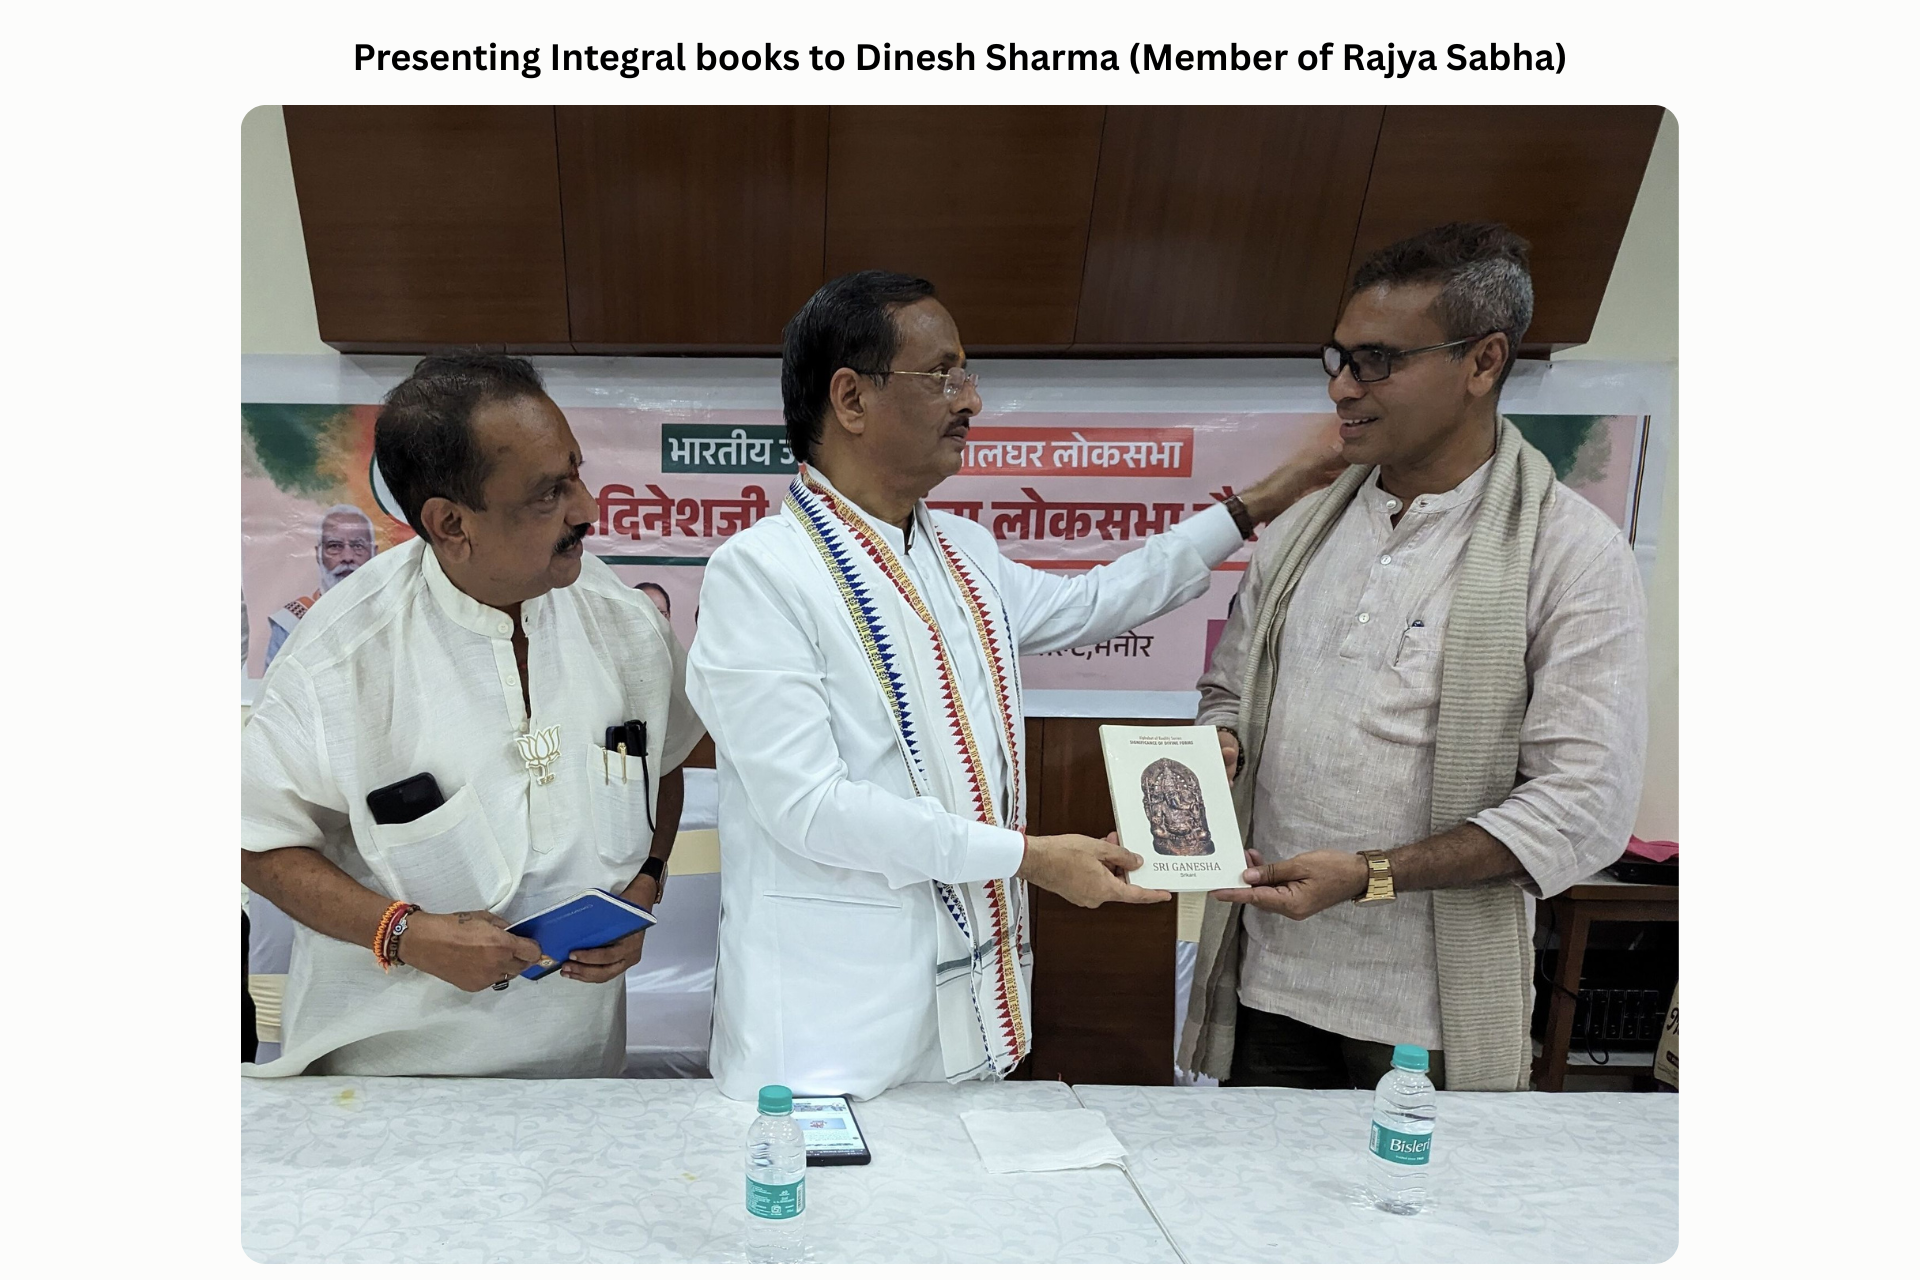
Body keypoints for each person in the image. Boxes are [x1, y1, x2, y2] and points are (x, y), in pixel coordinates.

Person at [686, 270, 1342, 1100]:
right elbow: (810, 807)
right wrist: (1029, 859)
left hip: (969, 1012)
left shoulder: (962, 553)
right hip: (828, 1021)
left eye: (968, 374)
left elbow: (1099, 600)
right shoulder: (759, 574)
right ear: (850, 399)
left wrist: (1266, 499)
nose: (973, 401)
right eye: (944, 375)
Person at [1181, 224, 1648, 1093]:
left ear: (1483, 362)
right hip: (1269, 980)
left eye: (1377, 362)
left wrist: (1372, 877)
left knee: (1418, 1189)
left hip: (1425, 1015)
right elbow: (1225, 690)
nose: (1342, 386)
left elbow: (1582, 806)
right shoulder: (1305, 529)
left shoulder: (1571, 551)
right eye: (1339, 357)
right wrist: (1223, 741)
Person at [241, 353, 703, 1078]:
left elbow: (664, 759)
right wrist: (404, 934)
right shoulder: (341, 657)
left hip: (577, 1075)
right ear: (451, 523)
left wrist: (647, 880)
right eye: (549, 494)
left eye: (576, 474)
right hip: (386, 1081)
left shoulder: (623, 623)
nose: (587, 509)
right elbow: (254, 843)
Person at [264, 504, 375, 666]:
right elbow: (275, 681)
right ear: (319, 554)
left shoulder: (395, 611)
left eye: (358, 546)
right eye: (335, 546)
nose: (347, 557)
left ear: (374, 553)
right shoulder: (293, 620)